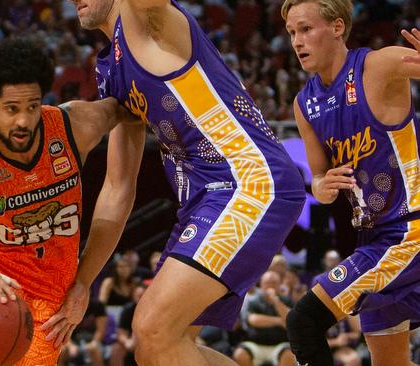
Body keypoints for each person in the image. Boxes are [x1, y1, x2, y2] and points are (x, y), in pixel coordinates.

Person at [43, 1, 307, 365]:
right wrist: (84, 282)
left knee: (152, 327)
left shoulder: (149, 18)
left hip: (248, 181)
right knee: (160, 347)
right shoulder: (112, 70)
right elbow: (118, 188)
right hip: (203, 201)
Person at [0, 37, 144, 366]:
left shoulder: (72, 126)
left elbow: (130, 111)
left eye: (32, 106)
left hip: (50, 296)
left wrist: (84, 283)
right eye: (12, 109)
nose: (24, 120)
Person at [282, 0, 420, 364]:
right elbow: (318, 178)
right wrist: (320, 187)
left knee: (304, 321)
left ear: (338, 26)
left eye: (306, 29)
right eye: (292, 33)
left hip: (410, 231)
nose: (297, 41)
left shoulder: (379, 64)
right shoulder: (304, 103)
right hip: (374, 238)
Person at [233, 271, 296, 366]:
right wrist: (279, 321)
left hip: (280, 345)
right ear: (261, 285)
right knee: (240, 354)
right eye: (267, 283)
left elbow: (291, 321)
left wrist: (275, 300)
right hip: (256, 344)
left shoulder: (288, 301)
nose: (271, 286)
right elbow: (253, 320)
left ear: (280, 285)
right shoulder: (254, 301)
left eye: (274, 283)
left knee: (289, 355)